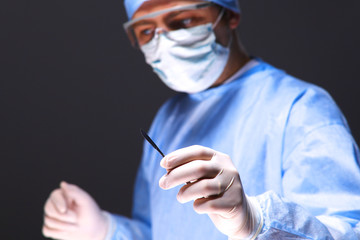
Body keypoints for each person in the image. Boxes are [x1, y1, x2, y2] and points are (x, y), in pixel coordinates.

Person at [42, 0, 360, 239]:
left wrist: (258, 221)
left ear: (230, 15)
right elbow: (163, 233)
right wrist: (104, 229)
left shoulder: (300, 109)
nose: (164, 41)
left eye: (183, 21)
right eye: (146, 31)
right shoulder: (168, 119)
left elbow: (346, 231)